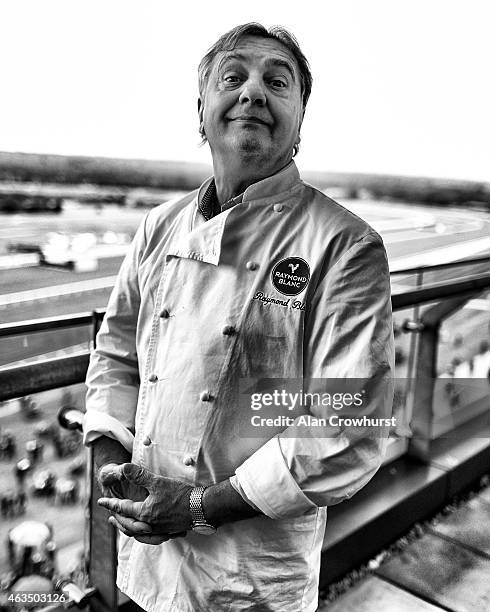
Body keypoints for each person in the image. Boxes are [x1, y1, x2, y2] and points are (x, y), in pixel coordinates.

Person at [82, 22, 394, 612]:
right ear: (201, 113)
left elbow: (347, 423)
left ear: (300, 123)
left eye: (278, 82)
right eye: (234, 77)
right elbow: (117, 350)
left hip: (250, 580)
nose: (253, 92)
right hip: (146, 563)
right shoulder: (159, 226)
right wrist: (109, 461)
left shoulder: (345, 245)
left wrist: (199, 507)